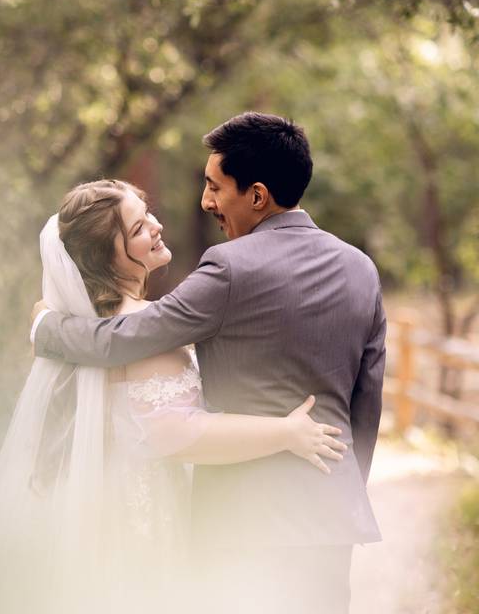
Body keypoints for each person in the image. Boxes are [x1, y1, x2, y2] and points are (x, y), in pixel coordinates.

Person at [31, 112, 385, 614]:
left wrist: (44, 328)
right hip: (329, 518)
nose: (206, 201)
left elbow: (124, 339)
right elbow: (365, 406)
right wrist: (339, 488)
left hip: (241, 524)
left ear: (257, 195)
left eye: (215, 187)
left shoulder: (230, 267)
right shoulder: (362, 270)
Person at [0, 177, 348, 614]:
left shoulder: (73, 324)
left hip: (101, 518)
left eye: (147, 214)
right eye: (138, 228)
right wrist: (285, 433)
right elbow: (174, 434)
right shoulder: (144, 329)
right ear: (108, 257)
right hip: (140, 529)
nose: (156, 227)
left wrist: (41, 324)